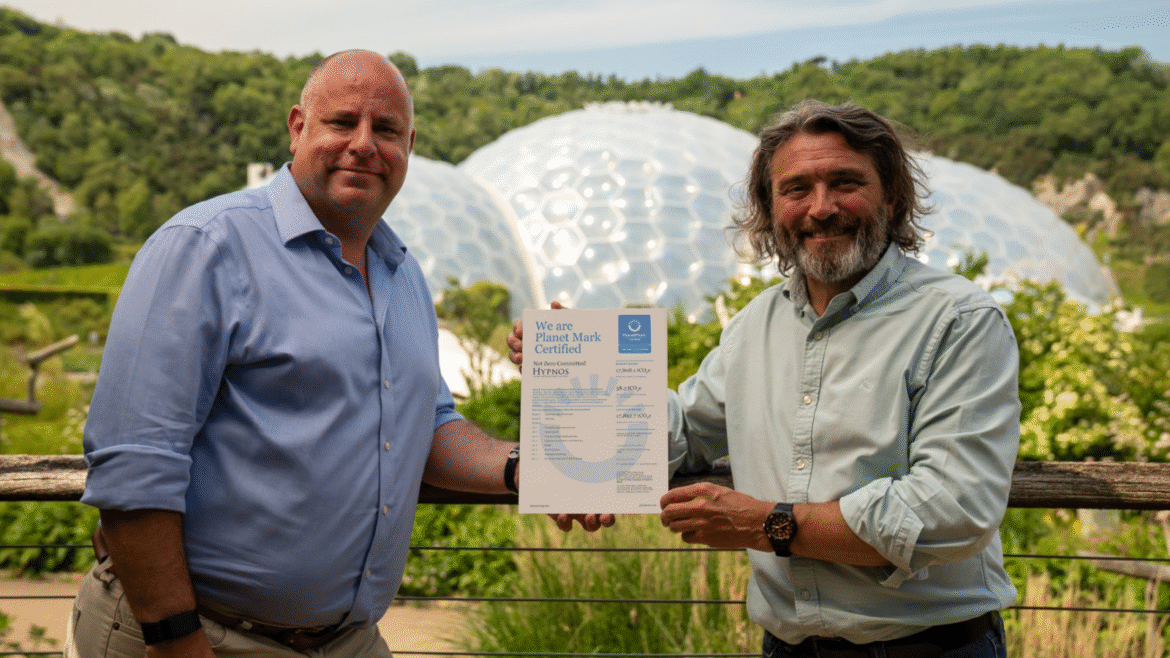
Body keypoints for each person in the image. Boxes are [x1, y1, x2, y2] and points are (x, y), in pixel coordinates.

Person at [67, 50, 610, 658]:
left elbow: (426, 424)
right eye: (342, 121)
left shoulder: (402, 274)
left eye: (385, 129)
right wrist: (174, 637)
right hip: (199, 635)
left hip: (345, 641)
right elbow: (135, 464)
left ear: (410, 143)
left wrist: (532, 467)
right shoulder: (205, 247)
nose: (363, 144)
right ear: (298, 127)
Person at [508, 100, 1019, 657]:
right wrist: (576, 371)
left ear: (892, 196)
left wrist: (768, 525)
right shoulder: (757, 324)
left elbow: (952, 510)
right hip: (788, 645)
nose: (821, 209)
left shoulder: (958, 320)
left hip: (931, 647)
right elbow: (684, 433)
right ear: (770, 208)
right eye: (796, 189)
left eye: (845, 183)